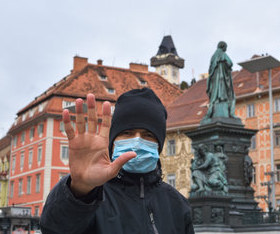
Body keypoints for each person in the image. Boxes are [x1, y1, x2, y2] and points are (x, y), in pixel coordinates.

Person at [40, 88, 194, 234]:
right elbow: (54, 229)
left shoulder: (178, 204)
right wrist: (80, 189)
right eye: (127, 133)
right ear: (112, 141)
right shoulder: (92, 196)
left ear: (159, 144)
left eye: (148, 135)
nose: (137, 140)